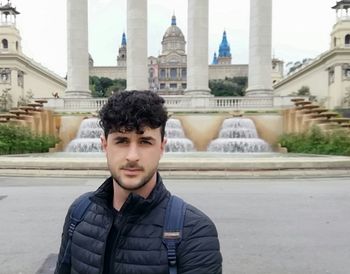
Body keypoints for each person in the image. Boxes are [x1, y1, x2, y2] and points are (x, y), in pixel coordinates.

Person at [55, 90, 222, 274]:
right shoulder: (79, 212)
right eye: (121, 141)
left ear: (161, 147)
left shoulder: (195, 231)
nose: (132, 156)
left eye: (144, 141)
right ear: (105, 145)